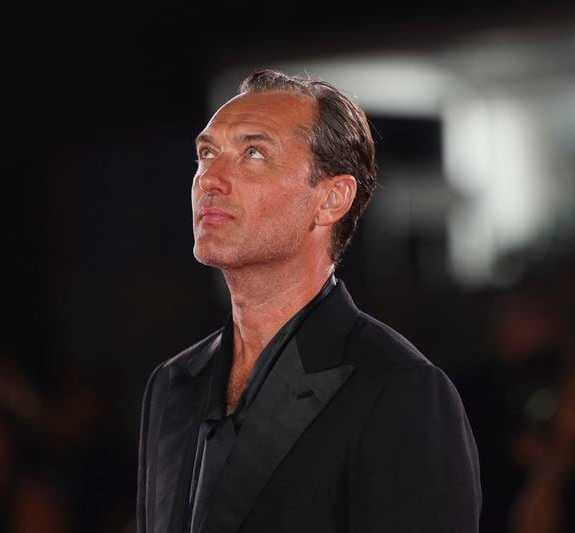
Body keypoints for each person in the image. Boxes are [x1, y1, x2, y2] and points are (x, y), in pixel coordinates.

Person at [136, 70, 481, 533]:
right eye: (206, 153)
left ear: (331, 199)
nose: (210, 179)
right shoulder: (173, 384)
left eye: (253, 153)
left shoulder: (399, 389)